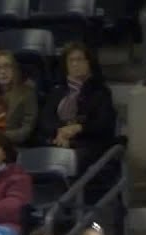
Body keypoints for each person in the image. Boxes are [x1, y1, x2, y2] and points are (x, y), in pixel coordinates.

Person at [37, 42, 117, 174]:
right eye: (71, 60)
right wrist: (61, 131)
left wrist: (78, 128)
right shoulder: (57, 91)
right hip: (58, 141)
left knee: (69, 160)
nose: (75, 64)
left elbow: (103, 124)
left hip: (88, 144)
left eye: (79, 59)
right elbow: (45, 120)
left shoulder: (100, 92)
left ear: (89, 63)